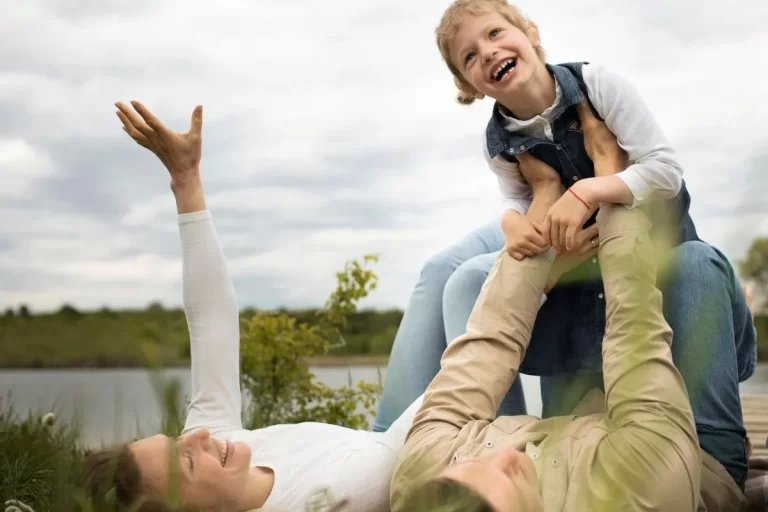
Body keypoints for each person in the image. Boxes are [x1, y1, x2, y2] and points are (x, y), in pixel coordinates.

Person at [376, 0, 756, 490]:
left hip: (651, 246)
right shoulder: (500, 146)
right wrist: (517, 223)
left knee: (694, 264)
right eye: (470, 56)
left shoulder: (598, 86)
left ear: (531, 34)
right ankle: (500, 439)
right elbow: (524, 199)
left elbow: (663, 171)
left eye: (494, 34)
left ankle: (713, 444)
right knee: (468, 276)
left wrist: (592, 188)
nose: (487, 52)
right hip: (580, 270)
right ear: (469, 87)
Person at [82, 101, 423, 512]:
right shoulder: (328, 498)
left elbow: (212, 321)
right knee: (471, 289)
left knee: (446, 274)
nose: (199, 436)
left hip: (381, 437)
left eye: (176, 440)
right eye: (187, 460)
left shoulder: (222, 457)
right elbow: (447, 400)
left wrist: (185, 179)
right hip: (418, 446)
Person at [390, 122, 747, 512]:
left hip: (571, 425)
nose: (510, 456)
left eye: (475, 462)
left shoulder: (422, 482)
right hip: (690, 451)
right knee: (694, 265)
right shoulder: (640, 493)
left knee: (468, 278)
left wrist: (544, 213)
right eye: (514, 478)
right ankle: (740, 356)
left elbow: (485, 346)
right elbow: (634, 326)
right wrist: (609, 180)